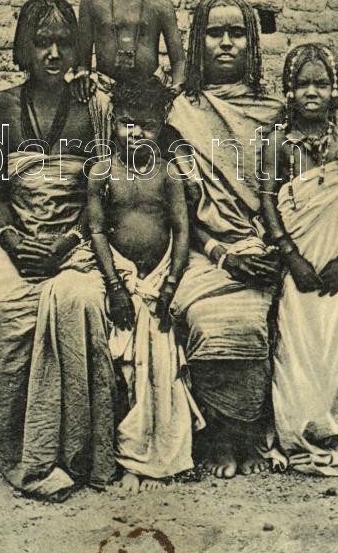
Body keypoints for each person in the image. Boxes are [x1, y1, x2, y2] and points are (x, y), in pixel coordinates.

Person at [0, 0, 117, 500]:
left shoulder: (92, 109)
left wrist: (66, 243)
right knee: (4, 305)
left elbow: (103, 196)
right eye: (41, 43)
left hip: (75, 239)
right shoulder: (0, 109)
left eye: (63, 43)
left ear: (77, 48)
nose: (53, 54)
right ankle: (24, 452)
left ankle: (77, 451)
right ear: (22, 48)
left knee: (82, 301)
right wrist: (13, 241)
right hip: (15, 239)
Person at [60, 75, 202, 493]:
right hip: (119, 273)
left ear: (162, 126)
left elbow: (182, 230)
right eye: (126, 123)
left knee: (159, 359)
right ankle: (124, 456)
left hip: (159, 276)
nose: (136, 133)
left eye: (147, 125)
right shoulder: (102, 172)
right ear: (113, 123)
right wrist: (116, 286)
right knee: (123, 361)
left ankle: (157, 458)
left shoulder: (168, 173)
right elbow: (97, 231)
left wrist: (169, 285)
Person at [169, 0, 282, 478]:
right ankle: (218, 435)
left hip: (264, 245)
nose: (226, 43)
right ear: (198, 42)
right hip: (206, 250)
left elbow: (289, 196)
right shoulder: (182, 112)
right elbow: (180, 210)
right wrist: (222, 255)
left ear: (252, 43)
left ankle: (249, 432)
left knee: (261, 316)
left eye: (237, 33)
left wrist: (275, 249)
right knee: (209, 318)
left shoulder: (275, 112)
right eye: (215, 33)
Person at [260, 43, 338, 475]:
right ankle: (300, 428)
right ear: (289, 90)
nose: (311, 92)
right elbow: (268, 202)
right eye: (302, 84)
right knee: (299, 341)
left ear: (334, 90)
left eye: (321, 84)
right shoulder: (278, 144)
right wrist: (292, 258)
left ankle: (336, 425)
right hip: (301, 263)